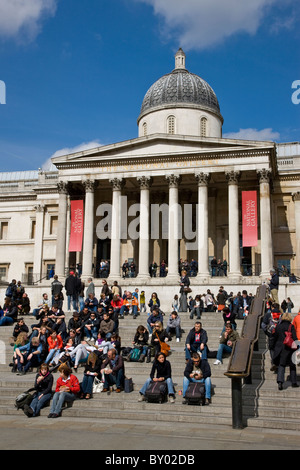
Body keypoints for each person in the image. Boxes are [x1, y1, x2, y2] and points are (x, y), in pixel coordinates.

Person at [273, 312, 299, 390]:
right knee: (292, 365)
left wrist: (273, 346)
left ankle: (280, 382)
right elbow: (294, 338)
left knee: (281, 365)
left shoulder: (278, 326)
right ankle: (293, 382)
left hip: (280, 348)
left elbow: (275, 337)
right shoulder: (291, 326)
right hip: (290, 348)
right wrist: (297, 347)